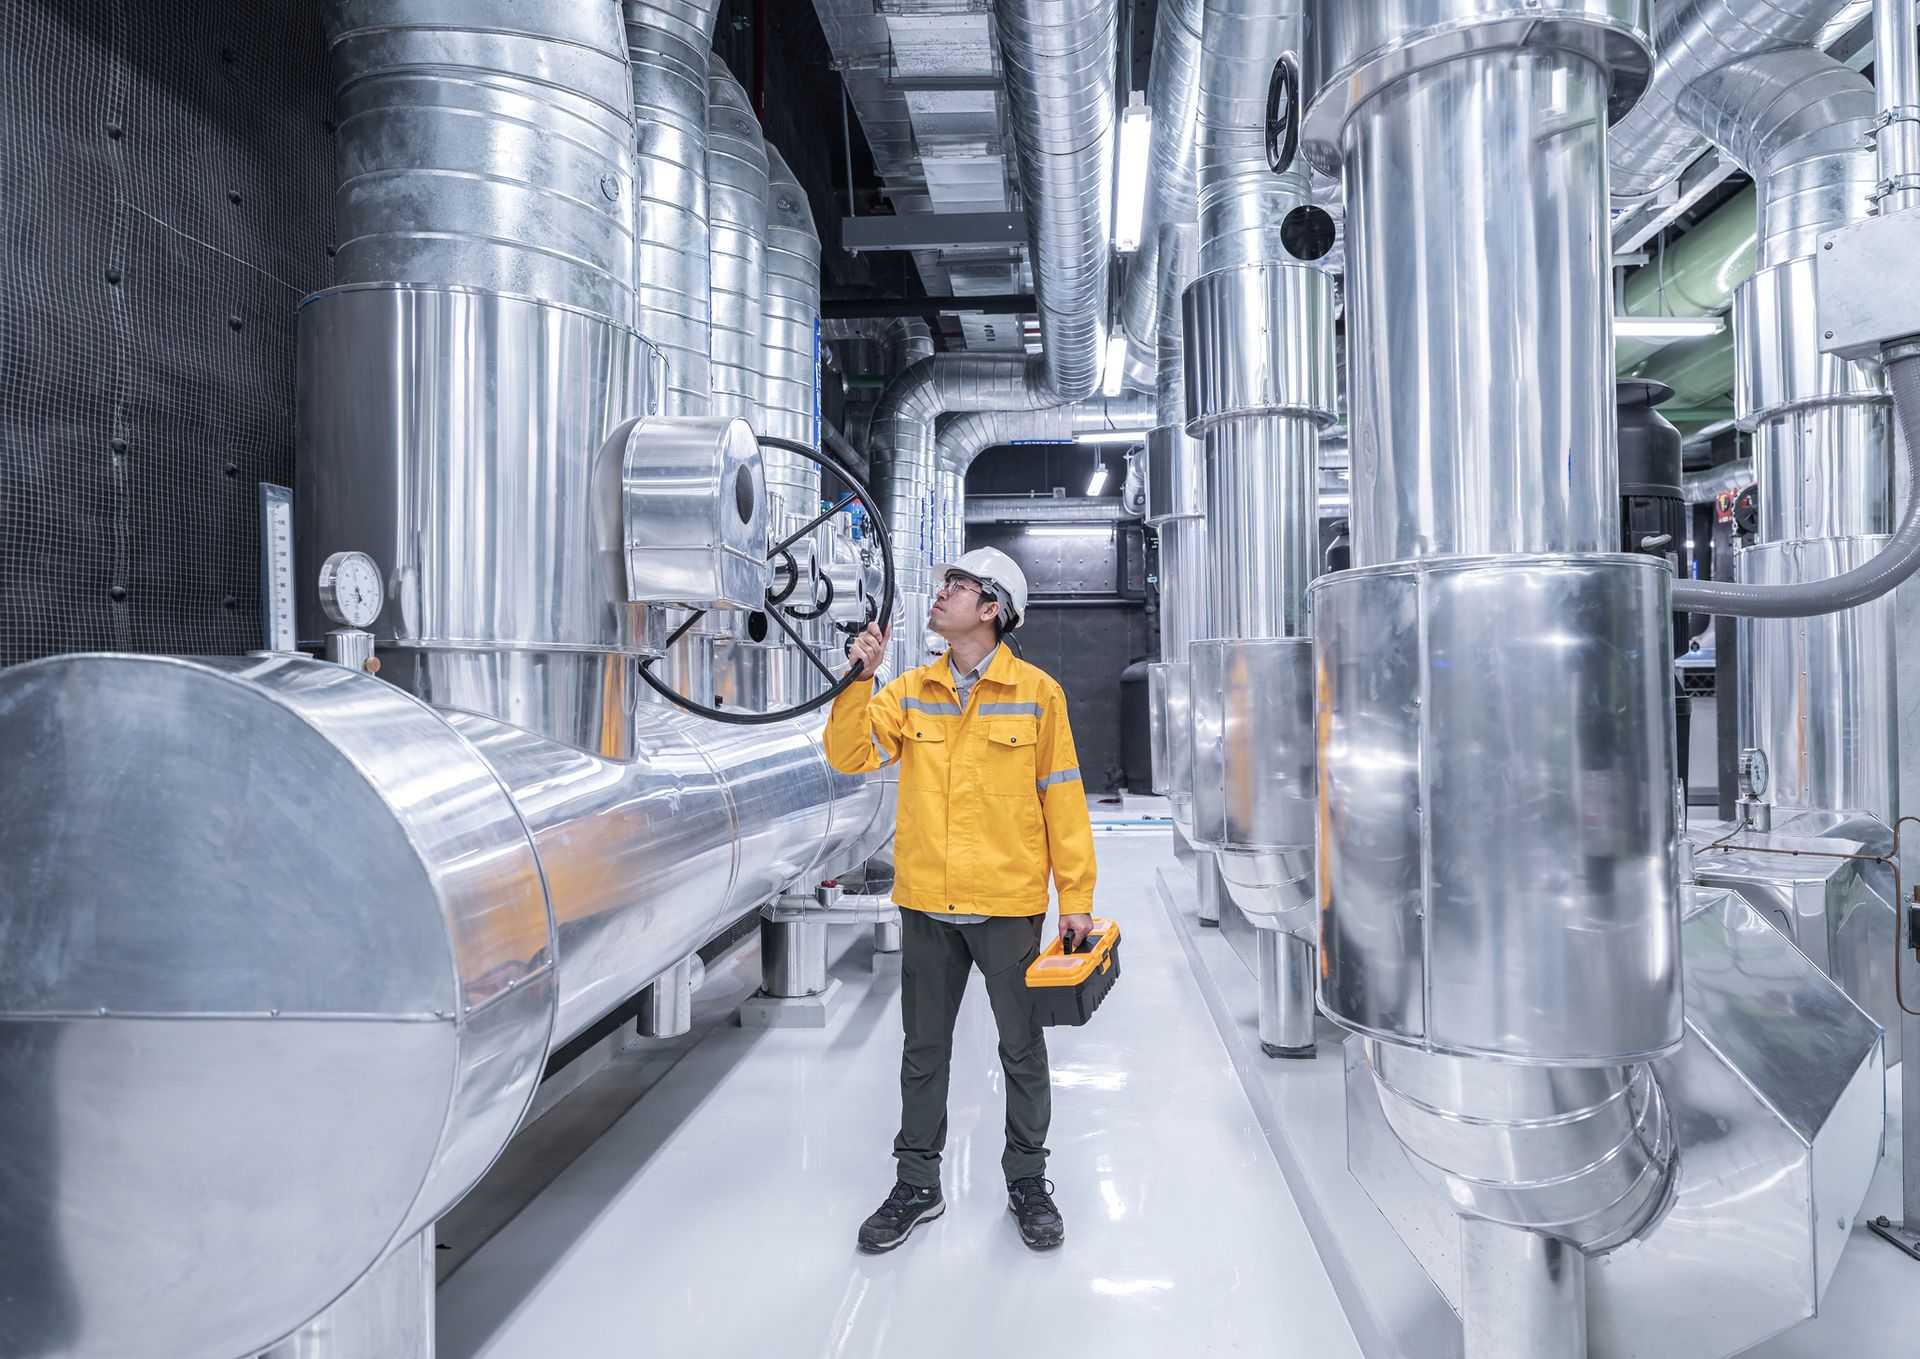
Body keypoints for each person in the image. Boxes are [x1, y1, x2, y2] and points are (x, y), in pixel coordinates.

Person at [824, 546, 1097, 1254]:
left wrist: (1076, 898)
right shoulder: (910, 688)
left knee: (1021, 1049)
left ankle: (1028, 1180)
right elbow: (849, 754)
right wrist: (860, 676)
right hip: (928, 905)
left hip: (1007, 907)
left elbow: (1064, 801)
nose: (940, 593)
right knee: (924, 1051)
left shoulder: (1038, 695)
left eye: (957, 586)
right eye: (944, 582)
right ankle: (917, 1184)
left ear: (992, 610)